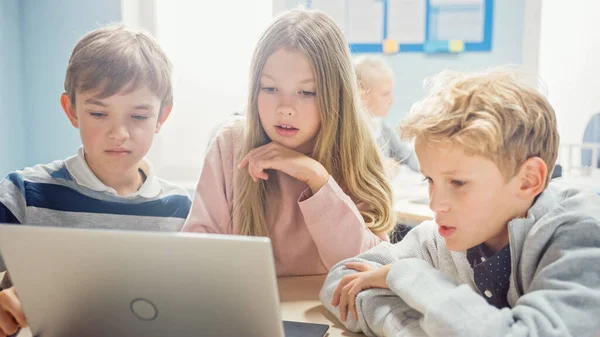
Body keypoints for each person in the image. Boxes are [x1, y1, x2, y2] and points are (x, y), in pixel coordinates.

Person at [320, 69, 600, 336]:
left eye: (458, 183)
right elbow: (342, 281)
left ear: (528, 180)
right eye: (429, 180)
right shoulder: (442, 238)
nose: (435, 204)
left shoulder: (581, 237)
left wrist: (410, 276)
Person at [0, 24, 192, 337]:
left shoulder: (180, 209)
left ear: (162, 118)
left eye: (139, 116)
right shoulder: (24, 194)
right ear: (71, 110)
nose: (119, 133)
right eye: (99, 114)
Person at [183, 9, 395, 276]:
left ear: (336, 95)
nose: (285, 108)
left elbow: (366, 267)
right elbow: (196, 254)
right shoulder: (231, 143)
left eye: (306, 92)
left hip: (327, 315)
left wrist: (317, 178)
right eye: (270, 89)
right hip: (247, 312)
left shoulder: (356, 149)